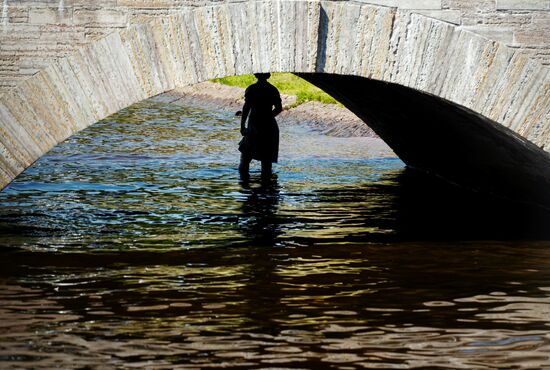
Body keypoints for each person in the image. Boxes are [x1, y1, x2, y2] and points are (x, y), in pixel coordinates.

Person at [238, 73, 283, 178]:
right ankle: (266, 186)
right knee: (266, 160)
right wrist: (268, 117)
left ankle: (244, 184)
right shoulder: (272, 89)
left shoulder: (252, 89)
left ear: (256, 75)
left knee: (245, 157)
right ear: (268, 76)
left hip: (254, 124)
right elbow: (279, 108)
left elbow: (246, 108)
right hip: (269, 126)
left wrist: (242, 126)